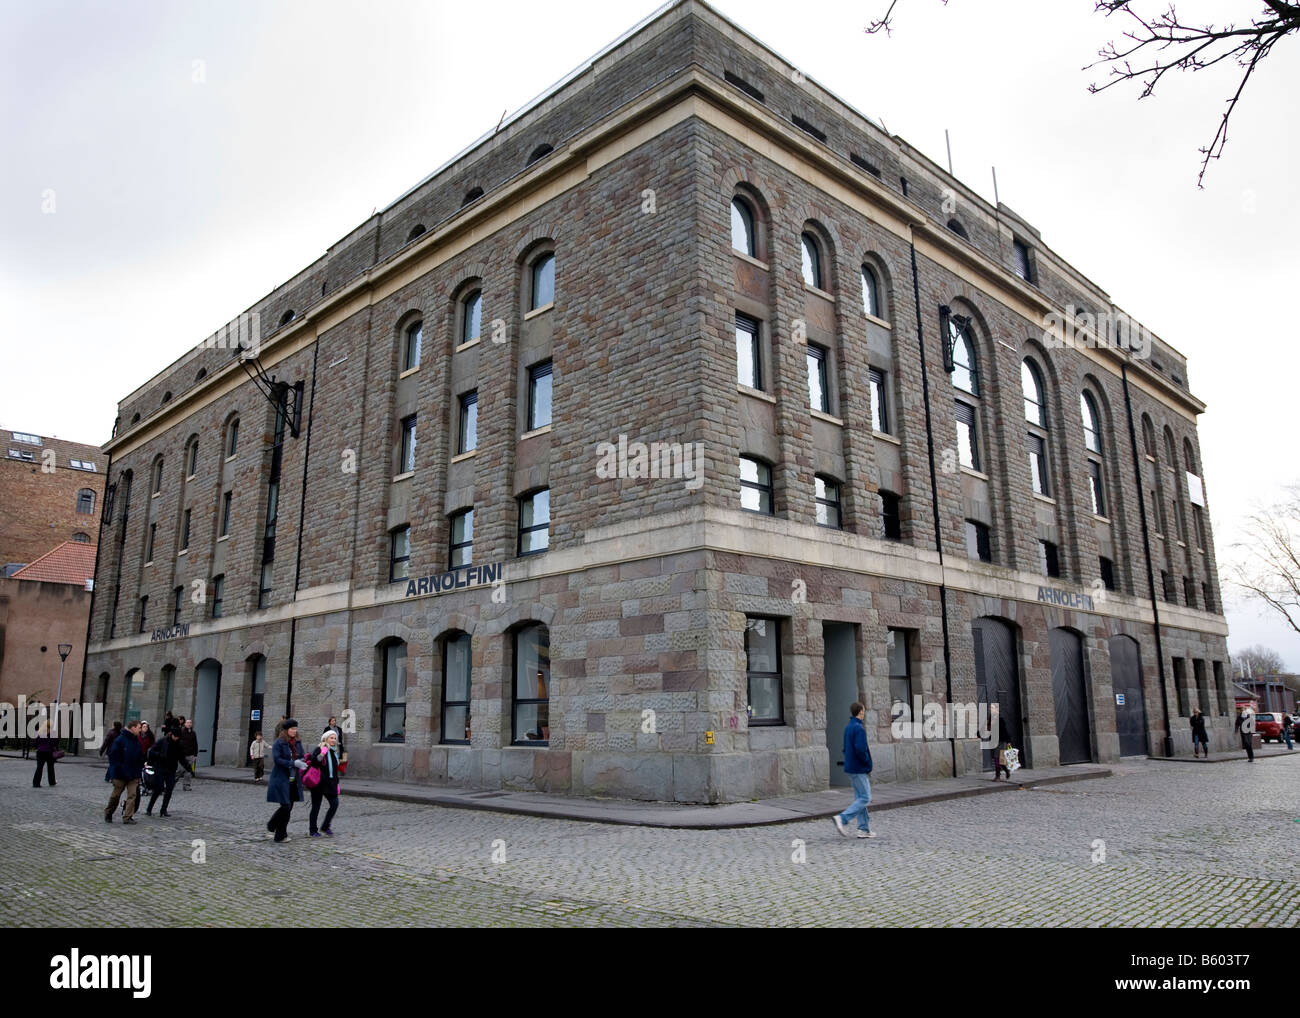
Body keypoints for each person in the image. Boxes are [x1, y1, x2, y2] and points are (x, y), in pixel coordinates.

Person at [833, 702, 876, 839]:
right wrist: (867, 764)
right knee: (865, 797)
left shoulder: (848, 727)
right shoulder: (859, 728)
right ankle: (842, 818)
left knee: (860, 798)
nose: (864, 713)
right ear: (861, 712)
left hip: (851, 767)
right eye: (864, 711)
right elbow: (861, 750)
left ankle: (863, 829)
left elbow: (845, 748)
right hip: (859, 768)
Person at [266, 719, 305, 843]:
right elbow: (278, 760)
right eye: (292, 729)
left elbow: (301, 754)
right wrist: (293, 763)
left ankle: (280, 834)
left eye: (295, 729)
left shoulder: (297, 742)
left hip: (294, 779)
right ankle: (272, 824)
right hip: (281, 778)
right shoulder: (279, 743)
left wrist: (303, 760)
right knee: (286, 806)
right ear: (286, 730)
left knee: (289, 807)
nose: (294, 731)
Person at [105, 720, 145, 824]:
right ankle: (108, 813)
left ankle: (127, 817)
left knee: (132, 795)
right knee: (116, 796)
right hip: (120, 774)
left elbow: (140, 757)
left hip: (133, 774)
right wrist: (118, 768)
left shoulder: (136, 741)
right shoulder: (120, 740)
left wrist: (139, 769)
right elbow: (113, 757)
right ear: (133, 728)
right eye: (139, 727)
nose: (140, 730)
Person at [307, 730, 342, 837]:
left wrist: (337, 783)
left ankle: (325, 826)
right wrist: (322, 753)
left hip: (330, 783)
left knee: (334, 804)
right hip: (319, 783)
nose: (333, 740)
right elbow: (314, 762)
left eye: (335, 738)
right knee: (316, 807)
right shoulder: (320, 748)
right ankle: (313, 830)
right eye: (331, 738)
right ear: (325, 739)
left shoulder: (334, 752)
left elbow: (335, 770)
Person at [146, 726, 182, 817]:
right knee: (159, 788)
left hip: (171, 769)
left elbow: (181, 757)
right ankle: (149, 808)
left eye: (178, 737)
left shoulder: (178, 744)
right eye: (175, 736)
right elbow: (151, 751)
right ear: (172, 735)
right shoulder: (163, 741)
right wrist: (159, 755)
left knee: (169, 789)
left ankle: (164, 809)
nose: (176, 738)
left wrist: (189, 768)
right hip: (160, 768)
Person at [32, 721, 57, 787]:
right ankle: (52, 782)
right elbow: (54, 743)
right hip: (49, 752)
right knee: (51, 768)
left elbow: (35, 743)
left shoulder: (39, 732)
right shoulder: (52, 733)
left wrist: (39, 747)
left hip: (40, 752)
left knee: (39, 768)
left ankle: (36, 783)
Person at [179, 718, 198, 789]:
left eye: (190, 723)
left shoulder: (193, 733)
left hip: (190, 754)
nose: (189, 724)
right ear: (185, 724)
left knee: (188, 771)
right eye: (188, 723)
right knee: (179, 770)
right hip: (182, 755)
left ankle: (186, 785)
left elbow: (195, 744)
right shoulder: (181, 732)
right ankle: (171, 783)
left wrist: (195, 754)